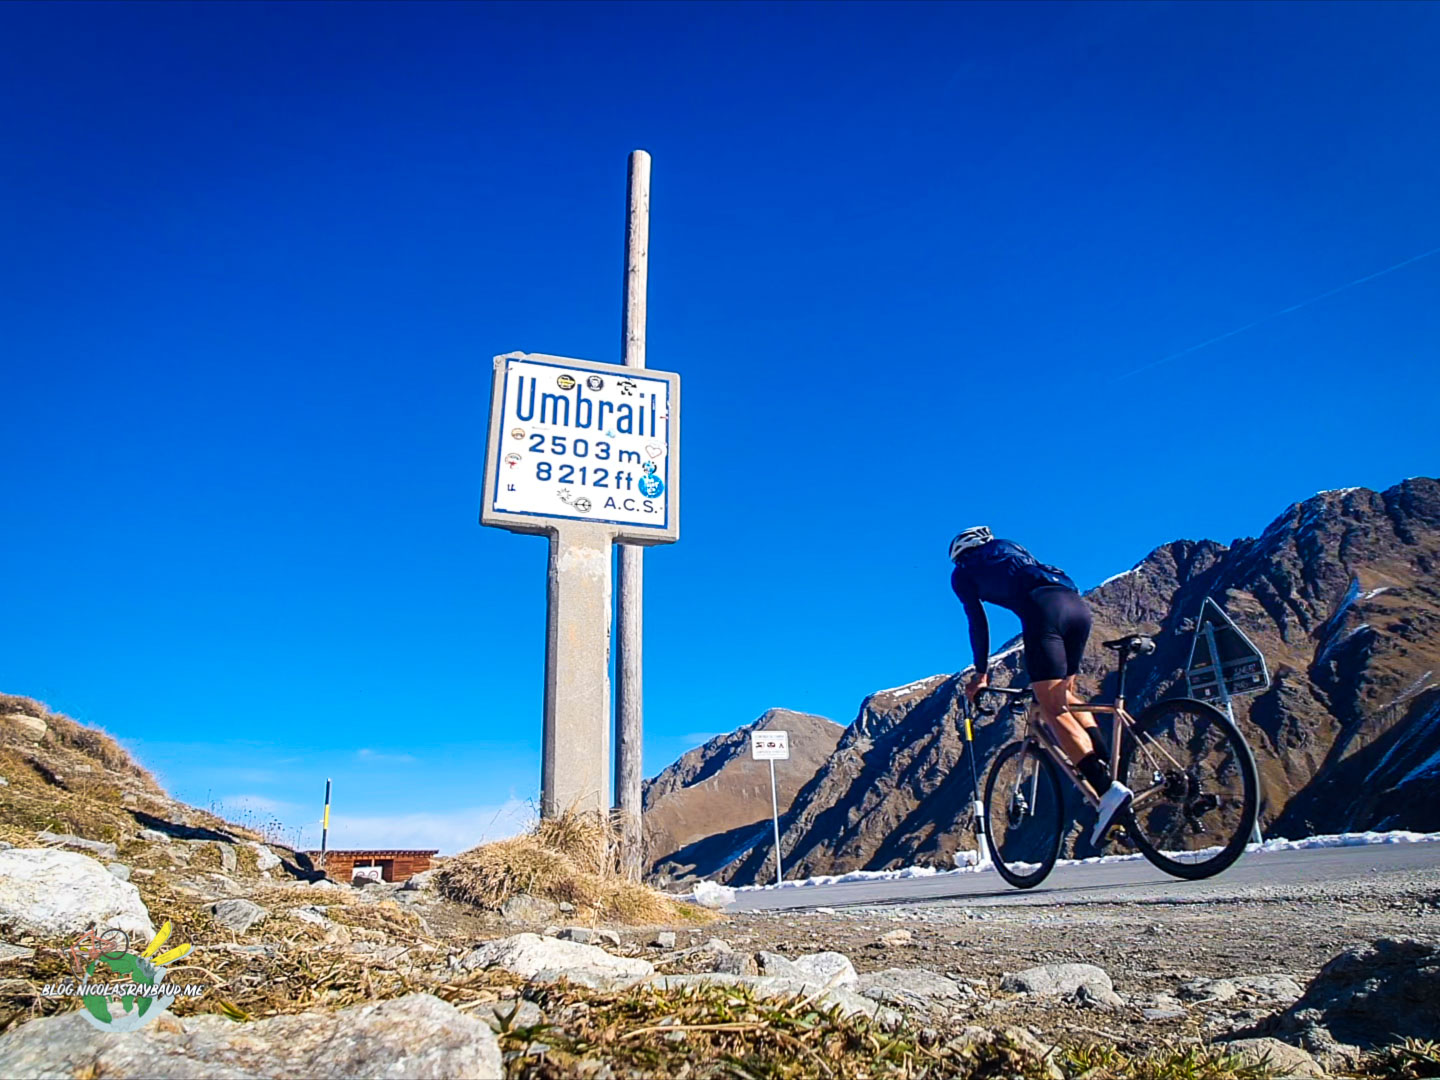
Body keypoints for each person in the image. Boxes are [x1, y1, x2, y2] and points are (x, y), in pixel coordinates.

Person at [949, 526, 1132, 844]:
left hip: (1042, 612)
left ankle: (1107, 790)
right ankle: (1107, 765)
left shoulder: (963, 572)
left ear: (960, 554)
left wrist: (981, 674)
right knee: (1068, 696)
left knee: (1051, 707)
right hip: (1077, 607)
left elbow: (977, 622)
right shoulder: (1012, 549)